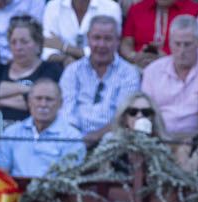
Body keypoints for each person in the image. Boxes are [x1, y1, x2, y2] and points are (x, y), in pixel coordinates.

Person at [58, 16, 140, 145]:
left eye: (107, 39)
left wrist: (95, 136)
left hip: (112, 140)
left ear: (117, 41)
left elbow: (123, 116)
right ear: (88, 39)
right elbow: (66, 111)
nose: (101, 44)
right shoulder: (73, 71)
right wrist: (76, 139)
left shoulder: (129, 73)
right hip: (73, 138)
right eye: (97, 38)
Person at [140, 15, 198, 136]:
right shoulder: (152, 71)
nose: (182, 50)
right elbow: (145, 112)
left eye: (187, 44)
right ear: (169, 43)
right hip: (159, 138)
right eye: (177, 44)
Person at [0, 14, 61, 125]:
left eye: (24, 42)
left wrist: (2, 101)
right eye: (13, 42)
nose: (18, 47)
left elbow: (42, 101)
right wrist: (28, 89)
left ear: (38, 44)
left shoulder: (51, 69)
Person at [0, 78, 86, 177]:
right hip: (14, 191)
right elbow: (1, 173)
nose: (43, 104)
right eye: (38, 98)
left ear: (61, 103)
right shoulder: (11, 133)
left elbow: (68, 178)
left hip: (55, 191)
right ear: (29, 102)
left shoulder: (72, 137)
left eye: (49, 99)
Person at [120, 0, 198, 68]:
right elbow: (126, 42)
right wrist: (134, 56)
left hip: (178, 69)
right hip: (139, 68)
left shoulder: (195, 10)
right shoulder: (137, 9)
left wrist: (169, 59)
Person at [40, 0, 122, 65]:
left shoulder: (111, 7)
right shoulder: (53, 6)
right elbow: (47, 47)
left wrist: (64, 47)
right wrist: (65, 59)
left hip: (100, 67)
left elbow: (109, 49)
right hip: (60, 65)